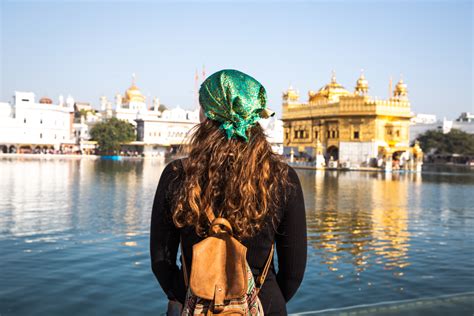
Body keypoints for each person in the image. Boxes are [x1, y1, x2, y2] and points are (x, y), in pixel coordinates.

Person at [150, 69, 307, 315]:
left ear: (206, 116)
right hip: (265, 304)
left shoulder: (177, 174)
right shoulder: (282, 178)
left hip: (195, 304)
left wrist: (192, 297)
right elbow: (294, 272)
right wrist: (258, 298)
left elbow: (162, 261)